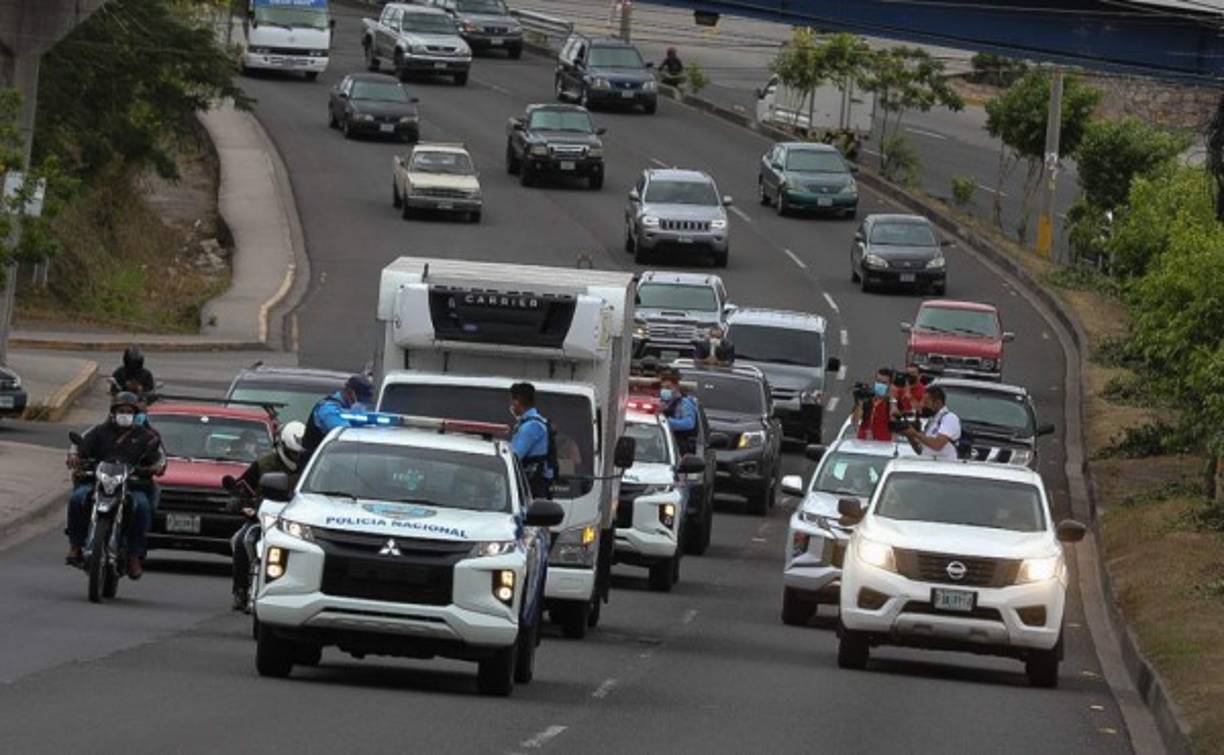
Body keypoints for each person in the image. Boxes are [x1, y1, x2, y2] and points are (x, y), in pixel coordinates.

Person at [65, 392, 166, 579]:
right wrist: (75, 458)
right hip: (98, 484)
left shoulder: (147, 436)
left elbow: (160, 458)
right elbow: (79, 447)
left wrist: (157, 467)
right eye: (121, 410)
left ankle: (134, 556)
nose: (124, 414)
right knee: (77, 498)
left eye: (129, 411)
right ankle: (75, 546)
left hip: (134, 486)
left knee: (142, 506)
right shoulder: (98, 431)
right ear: (114, 412)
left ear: (135, 414)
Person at [229, 421, 306, 611]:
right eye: (292, 453)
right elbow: (241, 487)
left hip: (297, 522)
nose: (296, 457)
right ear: (282, 447)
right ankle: (240, 589)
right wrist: (241, 503)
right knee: (241, 541)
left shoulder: (310, 467)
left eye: (299, 453)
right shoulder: (264, 464)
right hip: (263, 519)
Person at [301, 374, 374, 460]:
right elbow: (346, 435)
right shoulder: (328, 409)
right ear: (350, 392)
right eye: (361, 399)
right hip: (315, 463)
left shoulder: (348, 408)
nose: (363, 404)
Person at [509, 382, 556, 498]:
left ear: (517, 401)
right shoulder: (534, 422)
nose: (511, 406)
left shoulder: (532, 426)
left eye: (512, 402)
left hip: (532, 486)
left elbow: (514, 456)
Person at [900, 385, 962, 461]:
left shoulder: (949, 418)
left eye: (926, 403)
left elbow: (937, 445)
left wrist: (915, 434)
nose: (923, 406)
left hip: (944, 467)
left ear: (937, 403)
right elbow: (921, 450)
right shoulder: (932, 421)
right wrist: (910, 435)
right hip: (928, 466)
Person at [659, 368, 699, 454]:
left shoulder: (684, 403)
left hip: (680, 448)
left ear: (676, 387)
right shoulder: (659, 402)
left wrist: (665, 422)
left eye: (668, 387)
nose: (664, 390)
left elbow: (689, 423)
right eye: (662, 387)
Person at [853, 368, 895, 442]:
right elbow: (855, 421)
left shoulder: (890, 403)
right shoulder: (866, 400)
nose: (880, 385)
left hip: (882, 445)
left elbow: (894, 421)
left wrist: (892, 397)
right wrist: (859, 402)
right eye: (878, 381)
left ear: (889, 385)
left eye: (884, 383)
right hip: (862, 444)